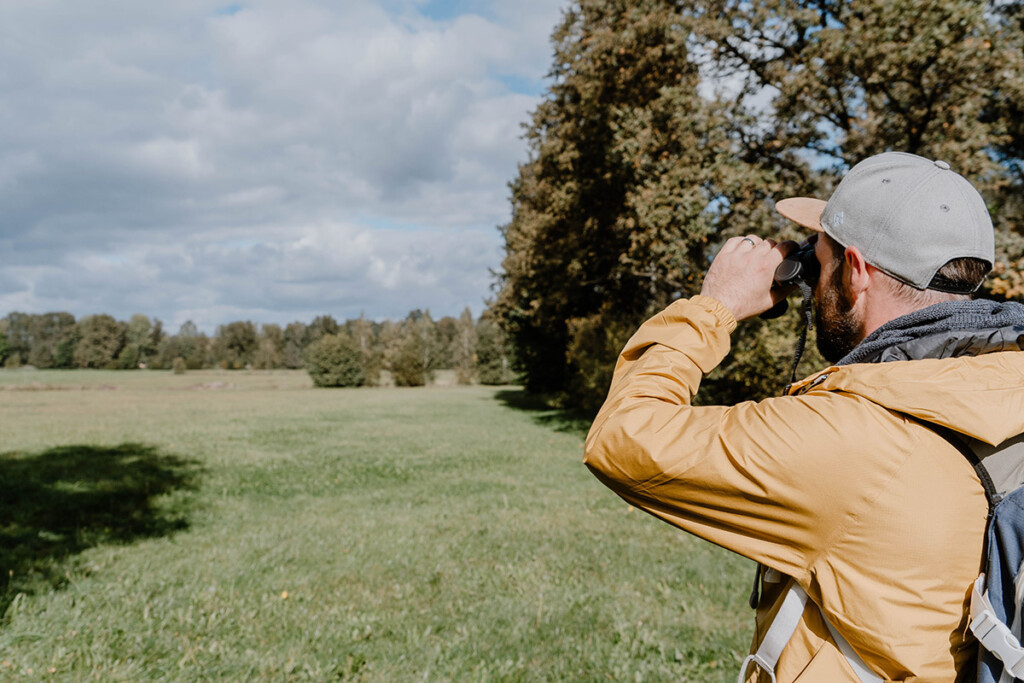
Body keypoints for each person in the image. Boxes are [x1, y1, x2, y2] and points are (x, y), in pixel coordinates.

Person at [583, 151, 1024, 682]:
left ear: (856, 271)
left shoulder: (856, 439)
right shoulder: (1000, 386)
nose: (811, 278)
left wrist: (714, 306)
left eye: (819, 256)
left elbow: (622, 437)